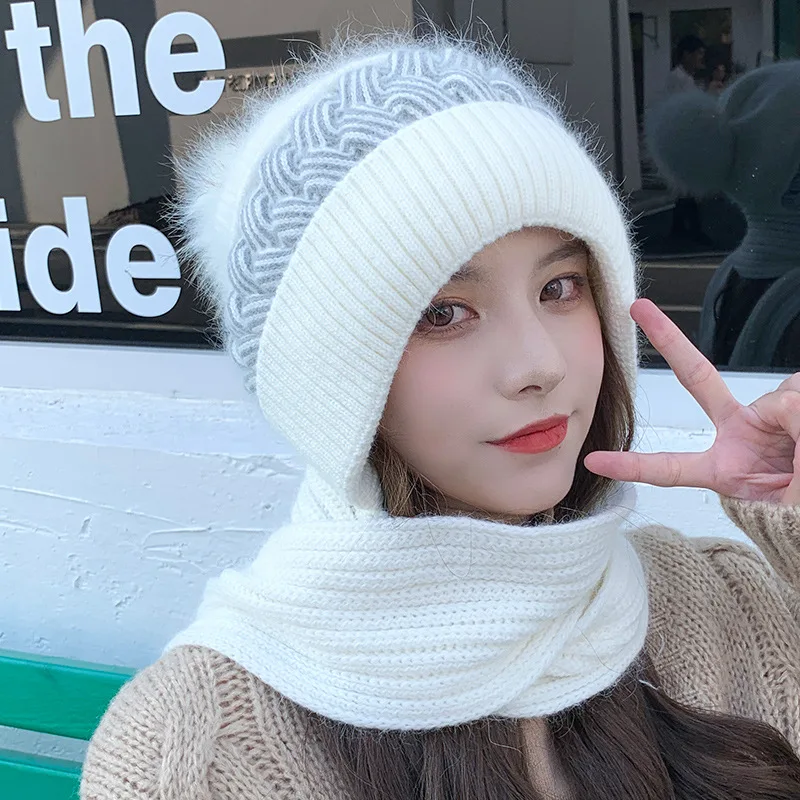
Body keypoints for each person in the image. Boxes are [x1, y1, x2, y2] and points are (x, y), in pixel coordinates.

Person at [80, 27, 800, 800]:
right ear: (328, 380)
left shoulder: (716, 601)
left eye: (559, 288)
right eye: (443, 313)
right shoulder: (193, 750)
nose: (540, 365)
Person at [660, 35, 711, 246]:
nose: (701, 59)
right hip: (681, 138)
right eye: (698, 54)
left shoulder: (686, 79)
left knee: (685, 187)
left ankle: (680, 228)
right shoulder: (678, 80)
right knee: (687, 186)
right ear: (686, 55)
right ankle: (693, 230)